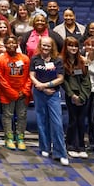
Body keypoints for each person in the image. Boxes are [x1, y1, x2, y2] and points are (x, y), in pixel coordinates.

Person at [29, 36, 68, 164]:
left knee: (57, 123)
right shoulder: (35, 59)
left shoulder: (57, 60)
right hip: (39, 93)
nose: (45, 48)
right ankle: (44, 147)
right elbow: (31, 75)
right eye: (43, 45)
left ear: (52, 47)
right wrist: (40, 86)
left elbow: (60, 78)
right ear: (40, 46)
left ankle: (60, 153)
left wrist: (45, 86)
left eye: (48, 46)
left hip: (53, 94)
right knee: (42, 120)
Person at [0, 35, 31, 152]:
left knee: (22, 115)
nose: (11, 45)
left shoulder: (25, 59)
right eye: (8, 43)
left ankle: (20, 138)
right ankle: (9, 138)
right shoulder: (1, 60)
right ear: (5, 45)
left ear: (17, 44)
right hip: (7, 93)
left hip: (22, 93)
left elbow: (29, 77)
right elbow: (1, 79)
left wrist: (24, 91)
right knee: (7, 115)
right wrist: (12, 93)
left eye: (13, 43)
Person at [61, 36, 91, 160]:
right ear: (66, 47)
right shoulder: (61, 61)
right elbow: (64, 81)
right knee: (73, 121)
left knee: (81, 121)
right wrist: (72, 95)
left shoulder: (82, 61)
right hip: (71, 96)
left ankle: (81, 146)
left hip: (84, 96)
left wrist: (82, 96)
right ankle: (70, 145)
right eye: (70, 46)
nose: (73, 48)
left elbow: (86, 81)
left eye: (75, 46)